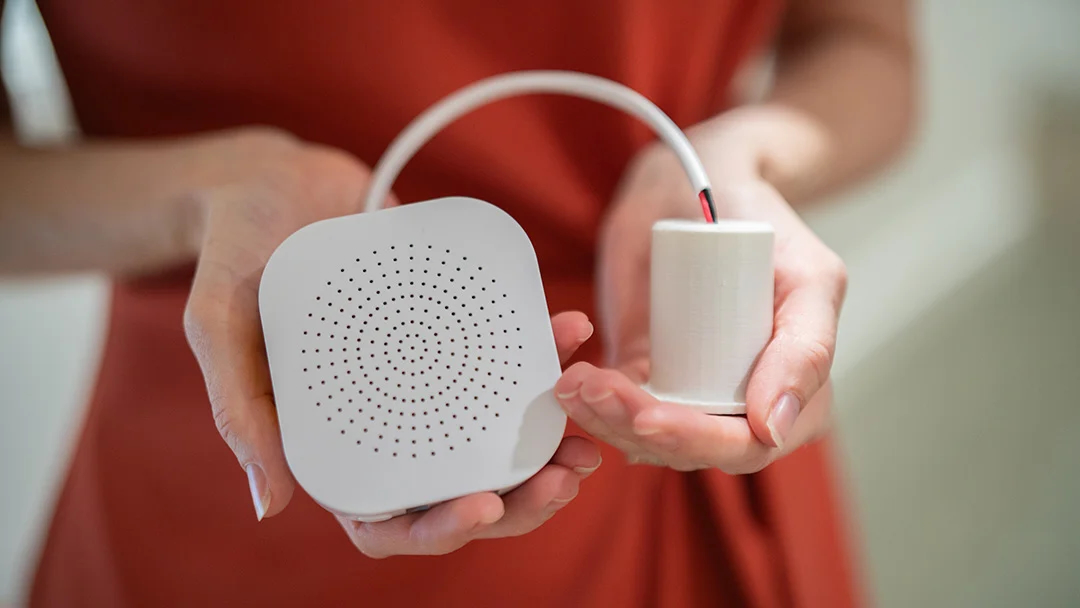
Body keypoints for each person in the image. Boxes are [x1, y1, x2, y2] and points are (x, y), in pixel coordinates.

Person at [0, 0, 915, 606]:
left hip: (666, 377)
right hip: (255, 421)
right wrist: (201, 192)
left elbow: (866, 44)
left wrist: (736, 154)